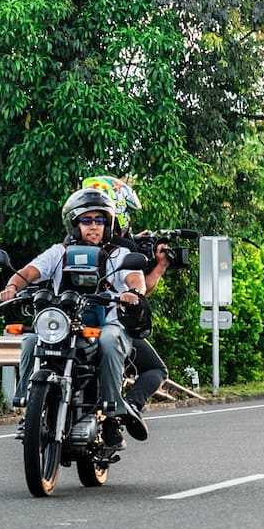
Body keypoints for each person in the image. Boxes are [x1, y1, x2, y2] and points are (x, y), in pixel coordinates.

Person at [0, 187, 146, 450]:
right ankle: (27, 405)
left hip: (106, 325)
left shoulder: (118, 255)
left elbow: (135, 278)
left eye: (99, 220)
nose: (93, 226)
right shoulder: (59, 252)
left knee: (110, 342)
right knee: (32, 340)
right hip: (64, 324)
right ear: (75, 224)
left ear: (108, 224)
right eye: (86, 220)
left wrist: (133, 292)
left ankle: (111, 416)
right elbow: (29, 272)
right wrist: (12, 286)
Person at [83, 175, 172, 437]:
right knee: (157, 369)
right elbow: (140, 288)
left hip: (71, 319)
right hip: (111, 321)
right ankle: (126, 407)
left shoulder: (66, 244)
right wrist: (161, 265)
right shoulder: (121, 247)